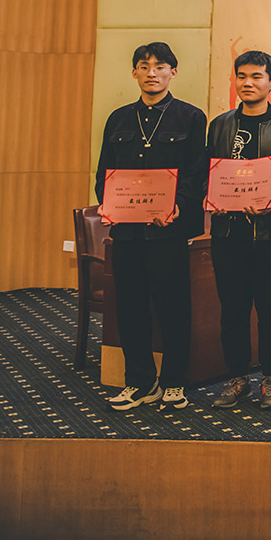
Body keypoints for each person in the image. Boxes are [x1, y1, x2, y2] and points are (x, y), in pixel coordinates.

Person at [95, 42, 207, 412]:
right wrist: (107, 203)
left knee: (173, 308)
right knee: (129, 308)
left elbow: (195, 174)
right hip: (127, 232)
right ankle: (139, 381)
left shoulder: (191, 117)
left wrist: (178, 207)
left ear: (173, 72)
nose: (151, 73)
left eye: (160, 66)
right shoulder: (118, 119)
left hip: (168, 231)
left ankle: (174, 382)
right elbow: (105, 173)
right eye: (144, 66)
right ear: (134, 73)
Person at [207, 50, 271, 410]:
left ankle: (270, 378)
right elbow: (208, 174)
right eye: (242, 76)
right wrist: (218, 198)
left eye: (256, 77)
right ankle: (237, 378)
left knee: (270, 310)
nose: (247, 83)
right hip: (227, 233)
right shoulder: (219, 126)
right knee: (232, 309)